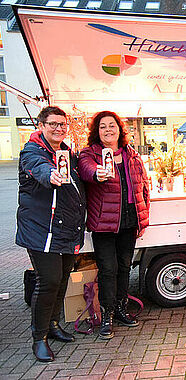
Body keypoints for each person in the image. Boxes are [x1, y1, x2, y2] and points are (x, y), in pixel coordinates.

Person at [16, 106, 86, 362]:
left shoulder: (66, 152)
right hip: (41, 230)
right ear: (41, 125)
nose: (58, 128)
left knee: (63, 277)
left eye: (62, 124)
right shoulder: (32, 151)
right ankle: (39, 338)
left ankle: (54, 325)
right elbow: (39, 169)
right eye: (53, 124)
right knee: (49, 281)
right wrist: (51, 175)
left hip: (65, 229)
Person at [78, 111, 150, 339]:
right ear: (96, 131)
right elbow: (86, 170)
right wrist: (97, 173)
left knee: (124, 267)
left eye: (112, 125)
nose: (108, 130)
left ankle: (121, 308)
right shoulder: (90, 154)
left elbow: (144, 187)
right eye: (102, 126)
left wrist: (143, 216)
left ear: (119, 129)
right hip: (104, 224)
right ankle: (107, 315)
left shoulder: (132, 155)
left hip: (129, 220)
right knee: (108, 269)